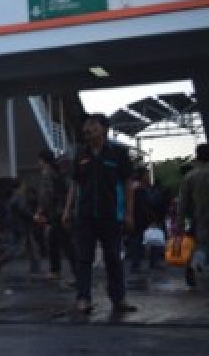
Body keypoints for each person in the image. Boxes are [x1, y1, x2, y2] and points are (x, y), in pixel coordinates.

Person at [63, 113, 136, 315]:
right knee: (83, 259)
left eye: (92, 126)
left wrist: (129, 213)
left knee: (113, 257)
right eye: (86, 127)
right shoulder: (81, 154)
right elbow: (74, 185)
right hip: (85, 215)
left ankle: (119, 298)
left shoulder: (118, 153)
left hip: (111, 215)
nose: (87, 130)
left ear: (104, 129)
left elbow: (128, 184)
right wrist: (67, 210)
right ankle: (84, 298)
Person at [36, 149, 74, 280]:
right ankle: (56, 269)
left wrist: (41, 210)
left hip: (56, 212)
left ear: (43, 160)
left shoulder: (47, 172)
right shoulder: (57, 171)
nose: (38, 163)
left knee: (65, 242)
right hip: (61, 210)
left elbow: (46, 194)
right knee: (54, 240)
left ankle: (75, 272)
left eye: (39, 160)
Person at [175, 143, 209, 284]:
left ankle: (193, 265)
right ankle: (197, 263)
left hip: (198, 217)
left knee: (199, 245)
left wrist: (180, 223)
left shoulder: (190, 176)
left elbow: (182, 203)